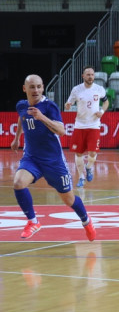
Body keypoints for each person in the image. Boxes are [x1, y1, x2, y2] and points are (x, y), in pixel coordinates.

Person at [12, 74, 97, 241]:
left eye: (39, 86)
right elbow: (22, 118)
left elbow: (61, 130)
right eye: (32, 87)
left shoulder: (49, 106)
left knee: (69, 200)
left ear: (43, 88)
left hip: (54, 162)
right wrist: (17, 138)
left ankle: (86, 222)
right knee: (18, 183)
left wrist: (41, 117)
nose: (35, 90)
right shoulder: (21, 105)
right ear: (25, 89)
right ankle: (33, 222)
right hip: (32, 159)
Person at [65, 66, 107, 189]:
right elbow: (69, 103)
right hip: (79, 125)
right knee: (78, 153)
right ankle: (81, 177)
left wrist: (102, 111)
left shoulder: (99, 89)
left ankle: (88, 168)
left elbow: (106, 102)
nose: (90, 77)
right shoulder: (76, 89)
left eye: (92, 74)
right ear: (83, 76)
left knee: (92, 153)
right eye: (88, 74)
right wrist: (67, 105)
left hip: (94, 125)